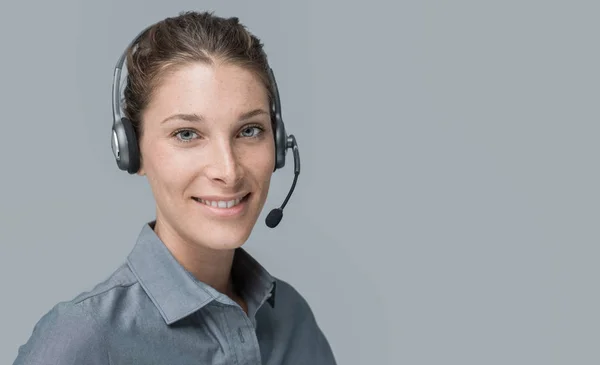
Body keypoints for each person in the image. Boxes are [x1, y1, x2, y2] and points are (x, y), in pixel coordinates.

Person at [13, 11, 336, 364]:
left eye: (249, 130)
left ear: (277, 144)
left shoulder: (292, 319)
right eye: (187, 134)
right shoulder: (84, 338)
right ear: (132, 152)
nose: (228, 171)